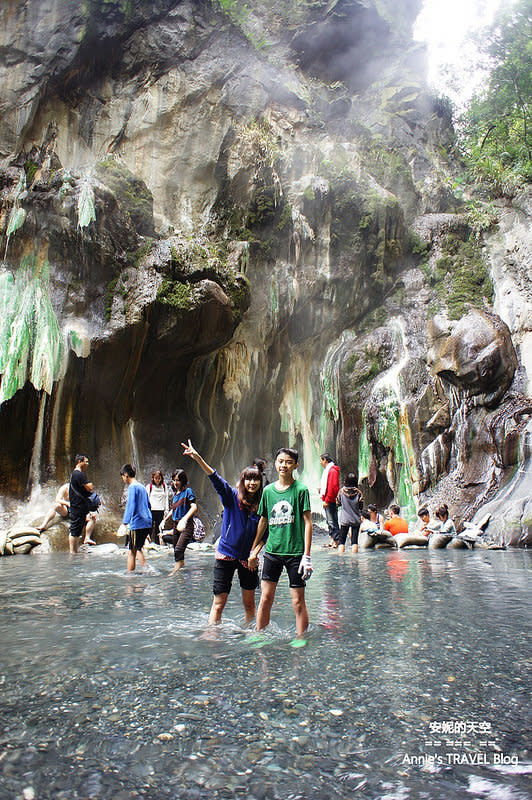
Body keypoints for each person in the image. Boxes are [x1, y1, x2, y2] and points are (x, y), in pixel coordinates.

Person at [182, 439, 263, 625]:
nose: (252, 483)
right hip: (225, 556)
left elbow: (264, 535)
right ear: (243, 481)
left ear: (260, 482)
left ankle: (251, 635)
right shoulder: (232, 496)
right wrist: (198, 458)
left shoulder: (262, 505)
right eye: (248, 479)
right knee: (218, 604)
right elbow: (215, 478)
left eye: (256, 479)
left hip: (248, 560)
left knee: (250, 605)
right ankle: (213, 637)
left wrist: (254, 554)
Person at [248, 447, 313, 638]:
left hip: (295, 554)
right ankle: (260, 635)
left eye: (288, 462)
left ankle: (301, 638)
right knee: (265, 598)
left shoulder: (301, 490)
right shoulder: (268, 491)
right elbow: (263, 521)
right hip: (272, 552)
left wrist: (307, 556)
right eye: (281, 461)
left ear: (295, 465)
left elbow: (308, 522)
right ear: (275, 464)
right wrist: (254, 550)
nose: (284, 465)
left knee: (298, 601)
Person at [120, 464, 152, 572]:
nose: (123, 479)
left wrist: (125, 522)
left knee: (131, 551)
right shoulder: (142, 487)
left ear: (125, 475)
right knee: (138, 548)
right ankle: (146, 569)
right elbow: (148, 505)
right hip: (147, 522)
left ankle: (130, 575)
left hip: (137, 523)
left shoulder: (132, 487)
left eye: (122, 476)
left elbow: (131, 505)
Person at [167, 467, 197, 573]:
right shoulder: (175, 495)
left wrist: (184, 519)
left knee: (179, 549)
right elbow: (173, 509)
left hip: (186, 525)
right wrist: (165, 520)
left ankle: (175, 572)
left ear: (183, 481)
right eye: (174, 480)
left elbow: (194, 507)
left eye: (178, 480)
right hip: (176, 525)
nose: (175, 482)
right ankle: (181, 572)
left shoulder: (188, 491)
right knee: (177, 550)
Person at [68, 454, 93, 553]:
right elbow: (90, 487)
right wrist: (90, 485)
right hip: (77, 506)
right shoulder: (79, 474)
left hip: (78, 506)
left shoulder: (75, 474)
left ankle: (74, 551)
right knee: (75, 530)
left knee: (76, 529)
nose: (87, 464)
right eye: (86, 461)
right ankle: (73, 552)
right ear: (79, 462)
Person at [337, 473, 363, 553]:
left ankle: (341, 559)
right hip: (355, 519)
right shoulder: (359, 493)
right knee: (354, 541)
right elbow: (361, 506)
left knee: (341, 541)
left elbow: (338, 503)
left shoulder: (341, 491)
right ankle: (354, 560)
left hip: (345, 519)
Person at [319, 453, 340, 547]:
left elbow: (333, 487)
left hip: (330, 500)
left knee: (333, 521)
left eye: (321, 460)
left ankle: (336, 541)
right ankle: (332, 540)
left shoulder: (332, 471)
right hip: (327, 499)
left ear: (325, 460)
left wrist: (327, 500)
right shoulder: (328, 471)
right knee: (329, 521)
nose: (320, 463)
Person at [146, 470, 168, 544]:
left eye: (159, 478)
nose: (157, 480)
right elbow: (146, 499)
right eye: (156, 478)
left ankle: (157, 543)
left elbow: (166, 498)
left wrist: (166, 510)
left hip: (160, 510)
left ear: (161, 478)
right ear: (153, 478)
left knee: (158, 528)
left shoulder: (164, 487)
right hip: (151, 510)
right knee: (150, 527)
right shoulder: (149, 487)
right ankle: (148, 543)